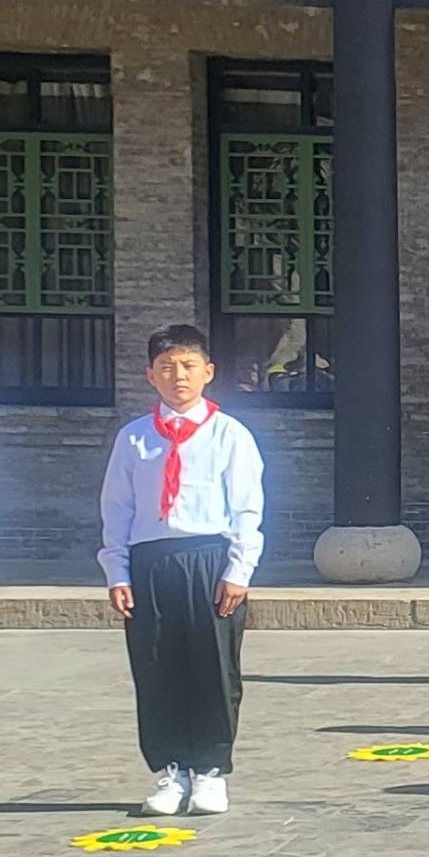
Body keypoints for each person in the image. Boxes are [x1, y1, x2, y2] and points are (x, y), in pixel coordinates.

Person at [97, 323, 265, 816]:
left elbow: (248, 508)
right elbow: (117, 509)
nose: (179, 376)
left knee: (214, 667)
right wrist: (118, 572)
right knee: (155, 667)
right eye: (167, 367)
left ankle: (211, 769)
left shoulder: (229, 435)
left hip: (209, 558)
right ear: (150, 375)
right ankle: (170, 770)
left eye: (189, 366)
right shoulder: (134, 439)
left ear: (208, 372)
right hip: (151, 561)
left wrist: (239, 569)